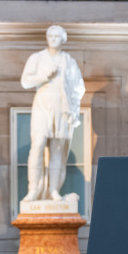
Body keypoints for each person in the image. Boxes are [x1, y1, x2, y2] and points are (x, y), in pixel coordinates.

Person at [20, 25, 86, 201]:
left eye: (58, 35)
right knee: (38, 144)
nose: (54, 38)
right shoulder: (37, 58)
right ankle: (33, 189)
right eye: (51, 35)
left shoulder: (68, 60)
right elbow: (25, 81)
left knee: (57, 150)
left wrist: (73, 108)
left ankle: (54, 190)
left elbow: (79, 87)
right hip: (43, 104)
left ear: (63, 39)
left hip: (62, 108)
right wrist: (44, 77)